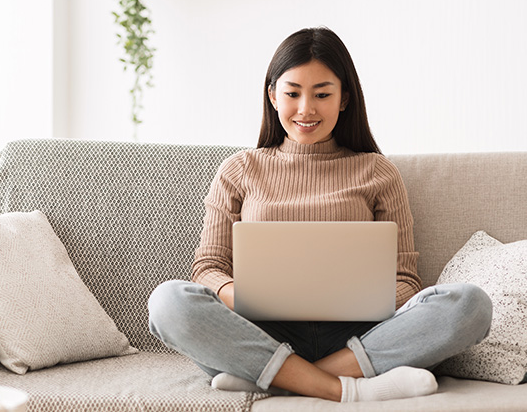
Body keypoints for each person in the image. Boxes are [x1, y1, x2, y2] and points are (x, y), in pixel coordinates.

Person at [147, 27, 493, 403]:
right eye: (292, 93)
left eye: (322, 94)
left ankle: (278, 379)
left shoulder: (378, 172)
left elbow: (406, 281)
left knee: (470, 305)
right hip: (260, 333)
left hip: (359, 336)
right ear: (272, 96)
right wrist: (246, 296)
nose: (306, 109)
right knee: (169, 302)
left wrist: (363, 299)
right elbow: (209, 268)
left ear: (344, 98)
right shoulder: (239, 170)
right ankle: (346, 388)